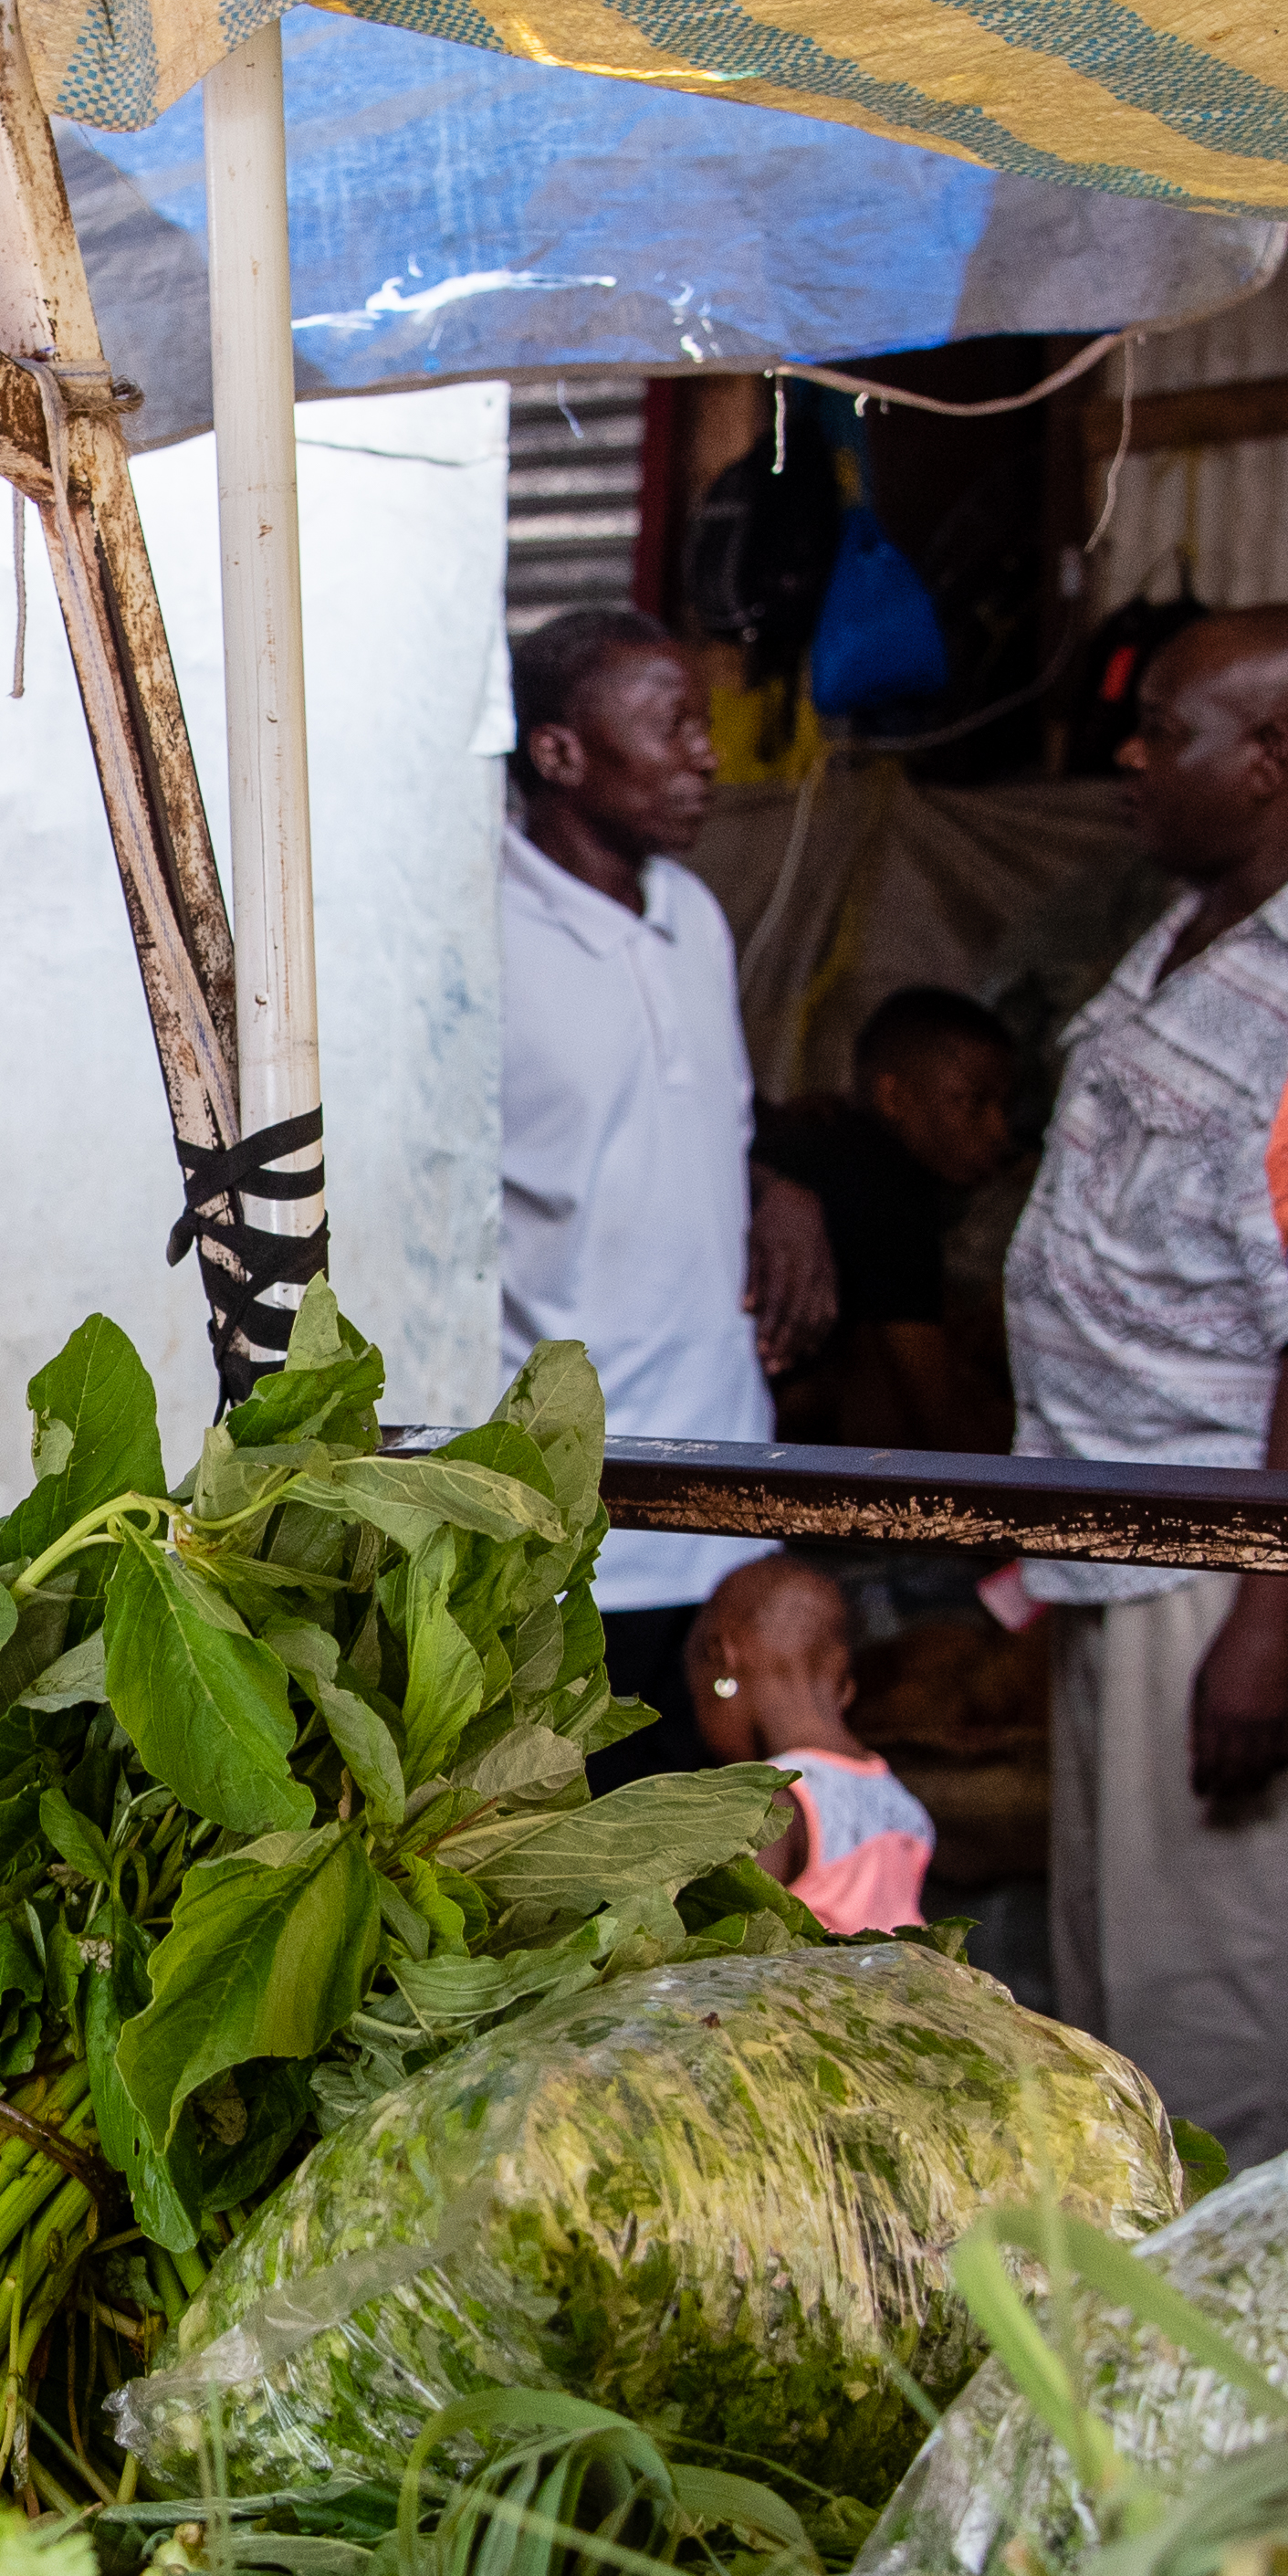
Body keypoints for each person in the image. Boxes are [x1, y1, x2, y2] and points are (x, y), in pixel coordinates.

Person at [1003, 605, 1288, 2170]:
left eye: (1167, 731)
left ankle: (1236, 2382)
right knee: (1131, 2005)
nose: (1128, 756)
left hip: (1238, 1572)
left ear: (1271, 758)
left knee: (1231, 2025)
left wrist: (1263, 1625)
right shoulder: (1199, 928)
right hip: (1151, 1557)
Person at [495, 604, 833, 1784]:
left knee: (728, 1884)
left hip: (728, 1498)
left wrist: (770, 1184)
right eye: (673, 725)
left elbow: (676, 1122)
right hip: (575, 1535)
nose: (708, 754)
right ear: (560, 753)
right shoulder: (475, 937)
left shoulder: (691, 912)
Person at [751, 985, 1026, 1454]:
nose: (999, 1132)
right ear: (893, 1097)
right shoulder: (886, 1185)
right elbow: (940, 1428)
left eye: (1003, 1106)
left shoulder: (834, 1145)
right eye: (974, 1102)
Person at [685, 1551, 937, 1932]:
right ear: (845, 1686)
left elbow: (718, 1944)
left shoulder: (773, 1804)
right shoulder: (902, 1804)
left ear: (723, 1657)